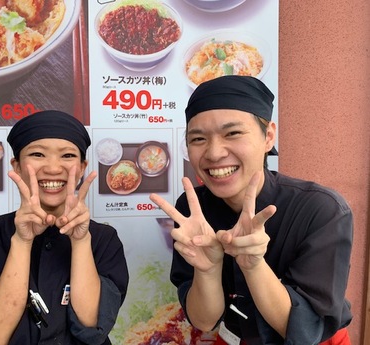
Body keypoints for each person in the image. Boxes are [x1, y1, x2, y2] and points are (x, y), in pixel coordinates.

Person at [150, 76, 353, 344]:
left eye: (232, 133)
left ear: (268, 136)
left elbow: (305, 332)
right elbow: (204, 321)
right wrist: (208, 270)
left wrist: (254, 265)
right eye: (198, 138)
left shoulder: (320, 210)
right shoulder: (191, 209)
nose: (214, 153)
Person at [0, 110, 129, 345]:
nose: (54, 168)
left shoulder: (103, 239)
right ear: (16, 165)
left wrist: (80, 242)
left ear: (82, 167)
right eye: (37, 154)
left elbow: (91, 328)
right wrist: (22, 241)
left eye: (67, 155)